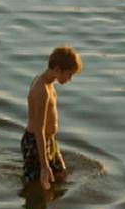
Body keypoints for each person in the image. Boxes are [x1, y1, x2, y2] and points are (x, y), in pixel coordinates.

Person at [23, 46, 82, 190]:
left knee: (61, 176)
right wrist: (44, 166)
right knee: (37, 186)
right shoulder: (41, 90)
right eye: (68, 75)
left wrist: (56, 151)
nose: (70, 79)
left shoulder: (50, 84)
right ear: (57, 69)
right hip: (35, 143)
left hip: (49, 140)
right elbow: (39, 130)